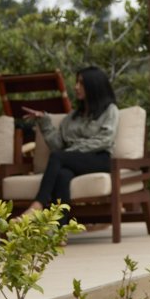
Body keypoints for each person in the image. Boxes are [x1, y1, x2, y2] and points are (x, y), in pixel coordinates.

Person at [22, 66, 118, 213]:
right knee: (63, 175)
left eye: (81, 83)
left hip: (99, 158)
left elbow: (105, 140)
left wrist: (72, 151)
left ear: (93, 86)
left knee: (58, 157)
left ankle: (38, 204)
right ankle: (59, 226)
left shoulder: (109, 110)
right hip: (74, 160)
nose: (76, 87)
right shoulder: (72, 117)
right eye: (76, 82)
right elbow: (57, 146)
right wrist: (44, 122)